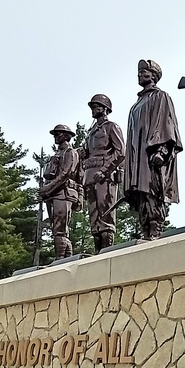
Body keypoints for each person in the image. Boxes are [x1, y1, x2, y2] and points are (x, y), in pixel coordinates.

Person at [124, 60, 182, 241]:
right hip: (137, 157)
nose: (140, 75)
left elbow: (167, 123)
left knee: (152, 189)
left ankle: (155, 227)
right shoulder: (135, 105)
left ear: (154, 75)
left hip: (152, 154)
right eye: (139, 72)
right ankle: (145, 228)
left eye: (144, 72)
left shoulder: (160, 97)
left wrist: (163, 150)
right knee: (140, 191)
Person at [79, 94, 125, 252]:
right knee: (94, 216)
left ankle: (106, 251)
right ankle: (97, 250)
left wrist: (105, 170)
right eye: (92, 107)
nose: (93, 109)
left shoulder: (112, 127)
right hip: (90, 175)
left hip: (105, 176)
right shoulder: (91, 132)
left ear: (105, 109)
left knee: (105, 214)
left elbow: (120, 152)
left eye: (96, 106)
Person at [39, 124, 81, 259]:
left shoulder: (70, 153)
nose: (56, 137)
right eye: (55, 134)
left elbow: (65, 174)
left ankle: (60, 259)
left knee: (60, 230)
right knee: (58, 230)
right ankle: (65, 258)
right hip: (53, 194)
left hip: (64, 193)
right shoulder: (56, 154)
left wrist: (47, 188)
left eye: (59, 134)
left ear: (67, 136)